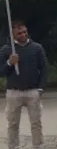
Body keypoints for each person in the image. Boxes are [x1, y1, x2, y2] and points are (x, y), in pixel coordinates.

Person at [0, 20, 48, 149]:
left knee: (36, 122)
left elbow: (44, 69)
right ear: (13, 35)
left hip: (33, 91)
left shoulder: (37, 48)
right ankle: (13, 146)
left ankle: (37, 146)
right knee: (13, 123)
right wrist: (10, 62)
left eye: (24, 32)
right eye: (19, 33)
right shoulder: (6, 49)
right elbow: (1, 71)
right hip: (13, 92)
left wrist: (41, 88)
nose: (23, 35)